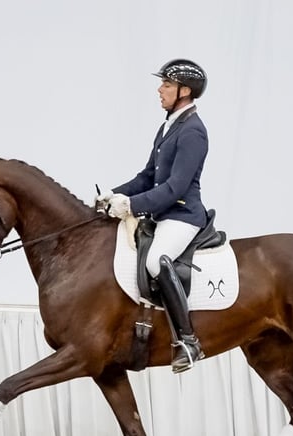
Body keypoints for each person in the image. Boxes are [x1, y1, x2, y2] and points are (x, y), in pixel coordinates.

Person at [99, 58, 209, 373]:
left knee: (154, 260)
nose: (160, 90)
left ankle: (188, 341)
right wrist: (113, 194)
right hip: (162, 214)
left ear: (185, 91)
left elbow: (175, 187)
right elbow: (148, 177)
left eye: (167, 85)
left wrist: (131, 206)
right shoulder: (168, 126)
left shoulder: (193, 132)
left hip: (182, 215)